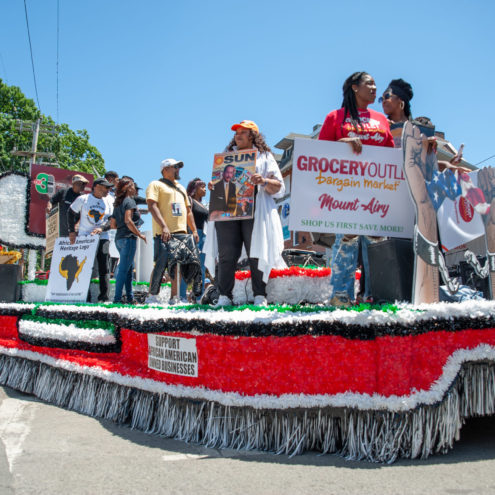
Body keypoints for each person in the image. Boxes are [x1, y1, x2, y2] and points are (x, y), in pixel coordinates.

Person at [318, 71, 394, 306]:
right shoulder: (335, 117)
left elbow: (392, 153)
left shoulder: (381, 119)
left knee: (377, 241)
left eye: (375, 85)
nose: (374, 88)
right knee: (347, 239)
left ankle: (376, 295)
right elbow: (320, 153)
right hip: (345, 191)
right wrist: (343, 143)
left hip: (377, 191)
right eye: (369, 84)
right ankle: (340, 296)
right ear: (354, 87)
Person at [205, 120, 286, 307]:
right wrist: (213, 186)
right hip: (227, 209)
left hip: (255, 208)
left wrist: (264, 180)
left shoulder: (265, 157)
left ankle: (260, 295)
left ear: (253, 135)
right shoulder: (226, 158)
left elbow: (279, 187)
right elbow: (221, 182)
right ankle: (224, 296)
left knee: (256, 251)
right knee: (226, 254)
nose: (237, 136)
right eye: (236, 133)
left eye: (242, 132)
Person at [145, 158, 199, 305]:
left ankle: (174, 298)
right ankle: (152, 295)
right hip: (164, 231)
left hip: (181, 231)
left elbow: (188, 211)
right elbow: (152, 206)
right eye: (175, 167)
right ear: (165, 169)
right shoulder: (155, 184)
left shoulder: (181, 188)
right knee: (161, 264)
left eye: (179, 167)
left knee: (177, 265)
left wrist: (193, 230)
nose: (178, 169)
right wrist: (164, 226)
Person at [67, 177, 114, 302]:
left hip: (102, 236)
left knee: (104, 266)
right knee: (84, 267)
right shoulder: (84, 199)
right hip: (85, 237)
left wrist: (102, 228)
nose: (108, 190)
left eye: (109, 187)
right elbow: (70, 213)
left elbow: (112, 220)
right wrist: (72, 232)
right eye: (106, 187)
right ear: (97, 187)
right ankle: (84, 296)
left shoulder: (109, 201)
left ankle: (103, 298)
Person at [110, 177, 147, 304]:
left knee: (129, 269)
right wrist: (139, 234)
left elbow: (113, 224)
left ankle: (130, 298)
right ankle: (117, 299)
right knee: (124, 270)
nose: (135, 189)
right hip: (128, 238)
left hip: (119, 238)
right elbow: (128, 220)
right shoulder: (129, 202)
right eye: (132, 186)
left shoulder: (117, 203)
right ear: (127, 188)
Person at [180, 178, 209, 302]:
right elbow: (185, 216)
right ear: (194, 189)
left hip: (203, 235)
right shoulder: (189, 201)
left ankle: (198, 296)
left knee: (201, 267)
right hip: (192, 233)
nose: (205, 189)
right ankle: (182, 296)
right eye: (202, 187)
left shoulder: (203, 204)